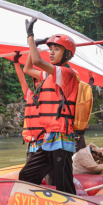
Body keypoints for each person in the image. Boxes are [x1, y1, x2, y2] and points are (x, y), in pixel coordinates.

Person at [18, 18, 79, 195]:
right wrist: (33, 47)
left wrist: (30, 36)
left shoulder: (66, 73)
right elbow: (28, 69)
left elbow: (37, 62)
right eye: (50, 49)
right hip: (48, 138)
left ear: (67, 54)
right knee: (27, 174)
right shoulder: (49, 75)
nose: (51, 52)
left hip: (62, 138)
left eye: (56, 49)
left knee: (63, 183)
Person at [13, 52, 43, 157]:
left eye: (40, 81)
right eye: (36, 81)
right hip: (32, 142)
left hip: (46, 142)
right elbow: (22, 79)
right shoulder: (30, 95)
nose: (38, 83)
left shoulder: (51, 96)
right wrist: (16, 62)